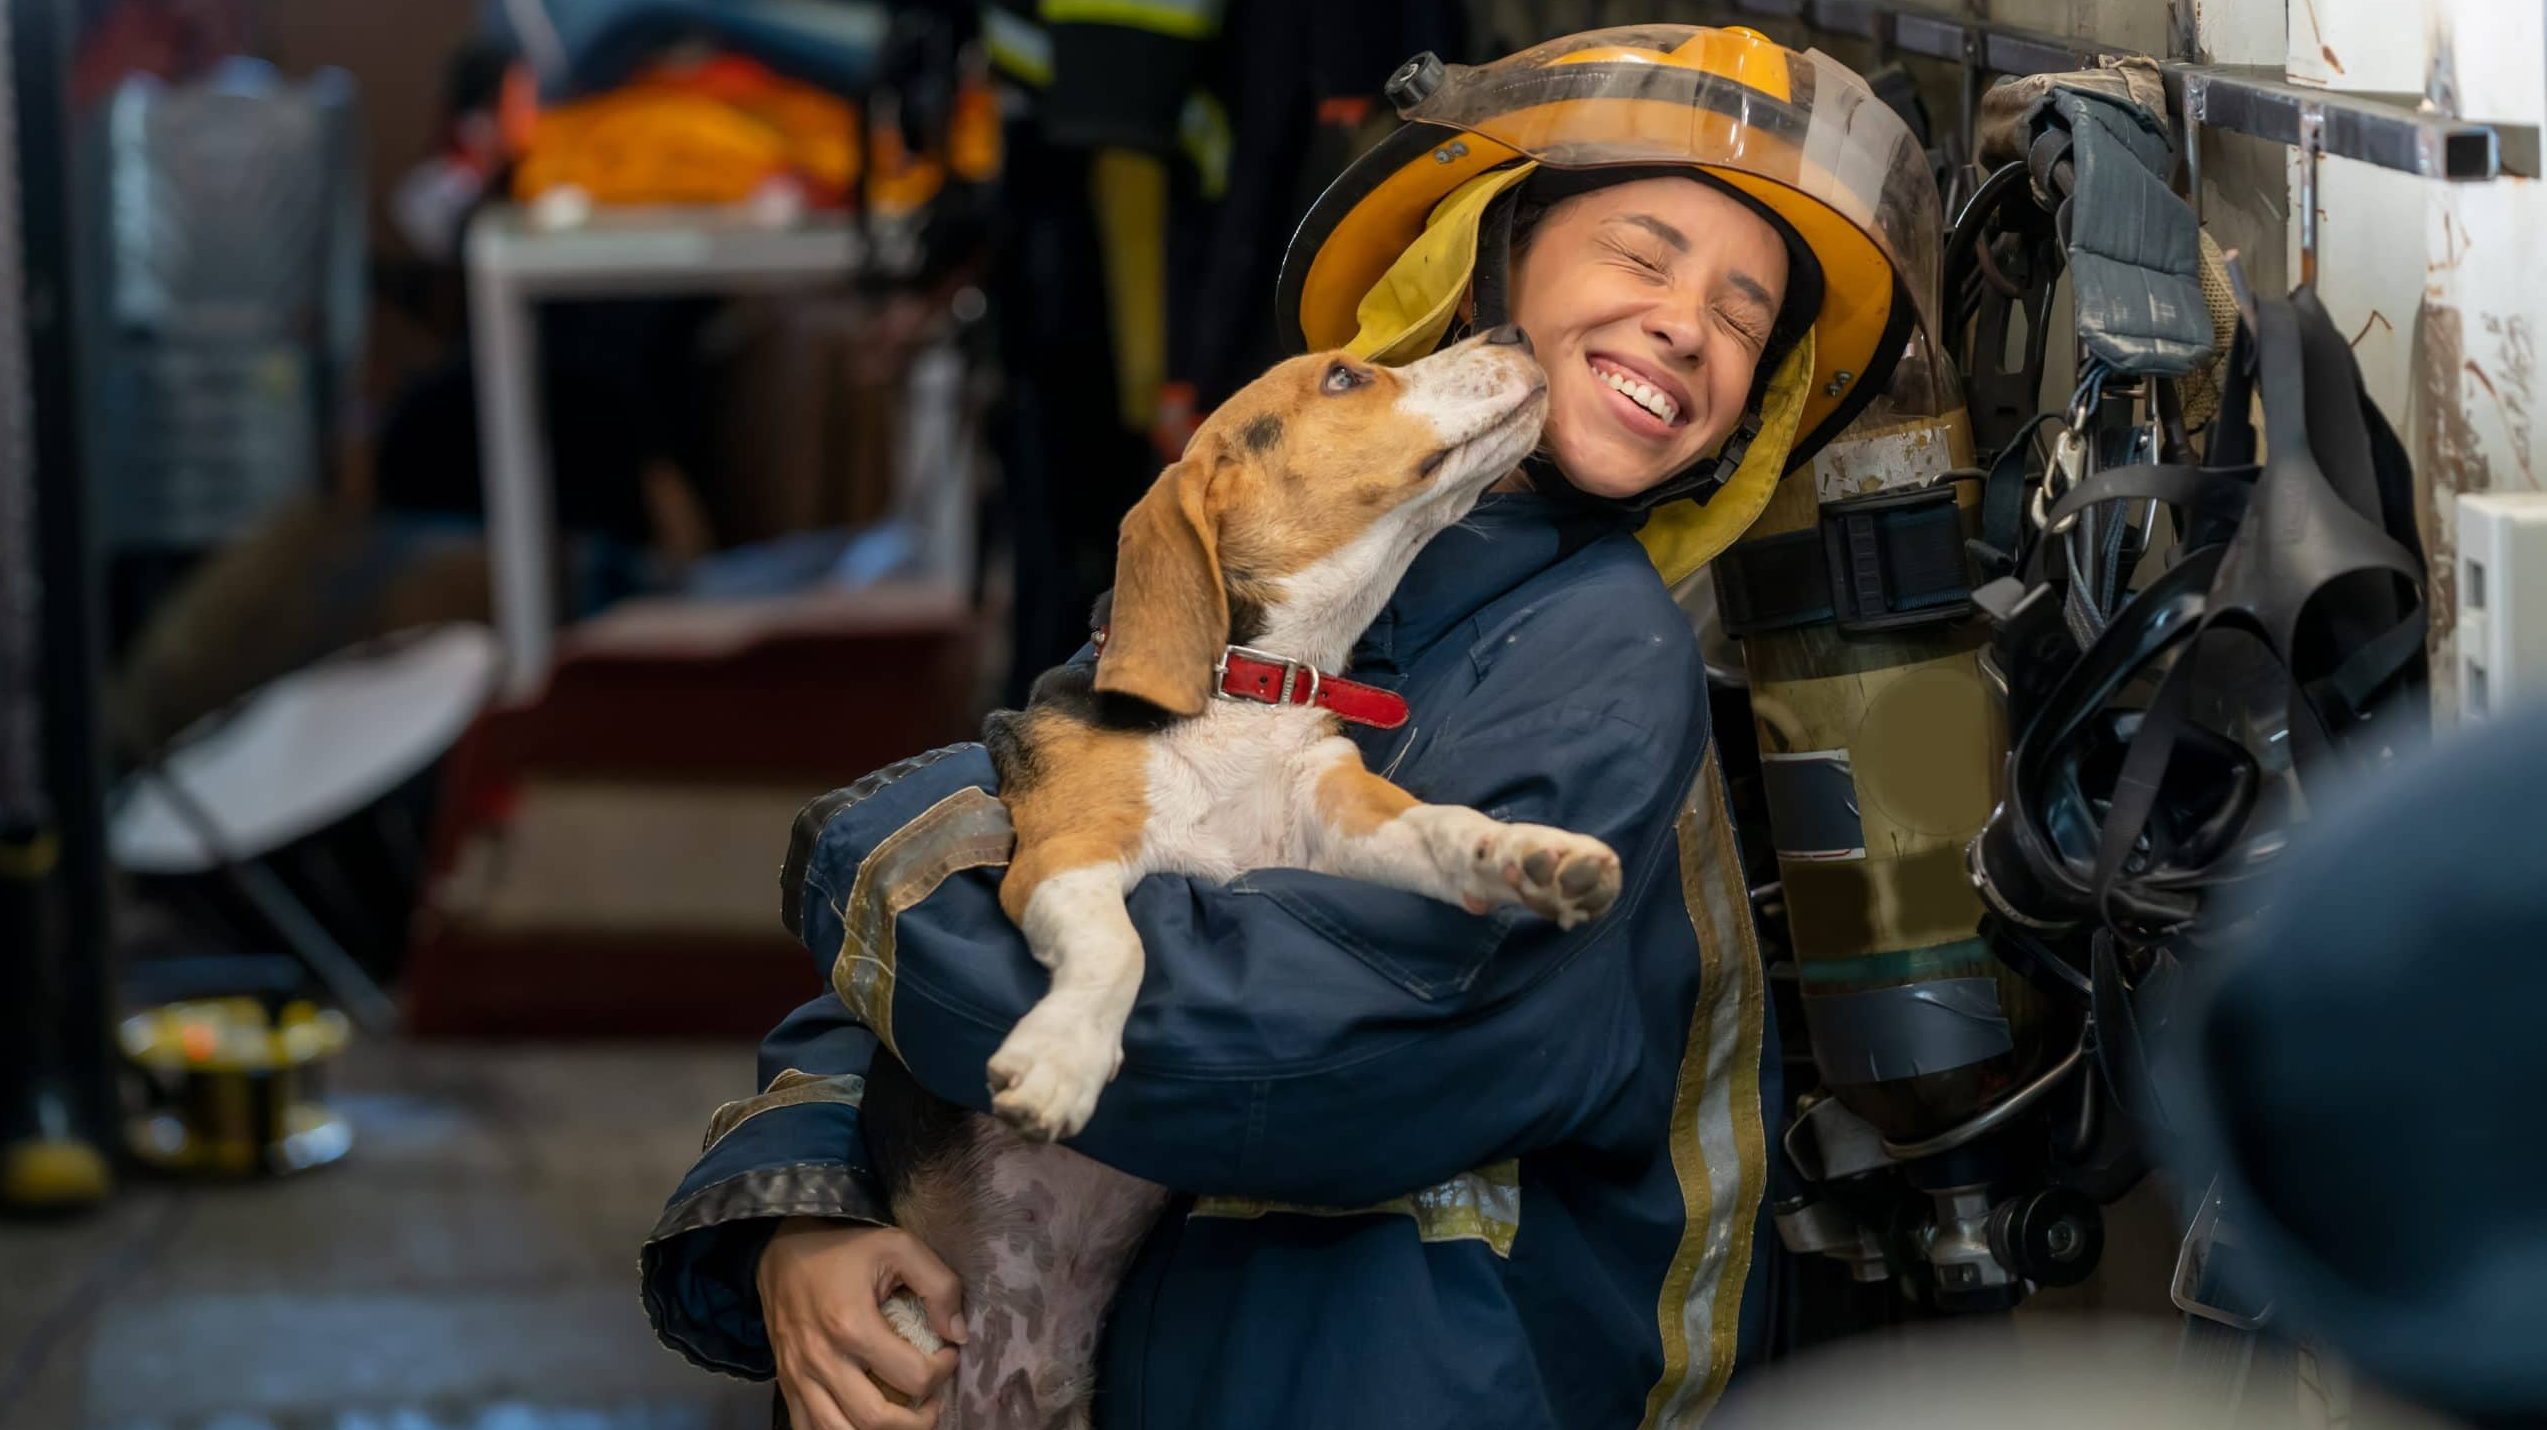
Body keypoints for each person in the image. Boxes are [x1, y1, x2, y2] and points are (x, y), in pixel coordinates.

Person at [640, 26, 1949, 1430]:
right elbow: (1029, 853)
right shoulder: (1278, 568)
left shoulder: (1601, 663)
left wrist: (875, 872)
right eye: (1643, 253)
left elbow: (1301, 1056)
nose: (1688, 320)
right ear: (1488, 257)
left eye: (1746, 318)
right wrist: (812, 1205)